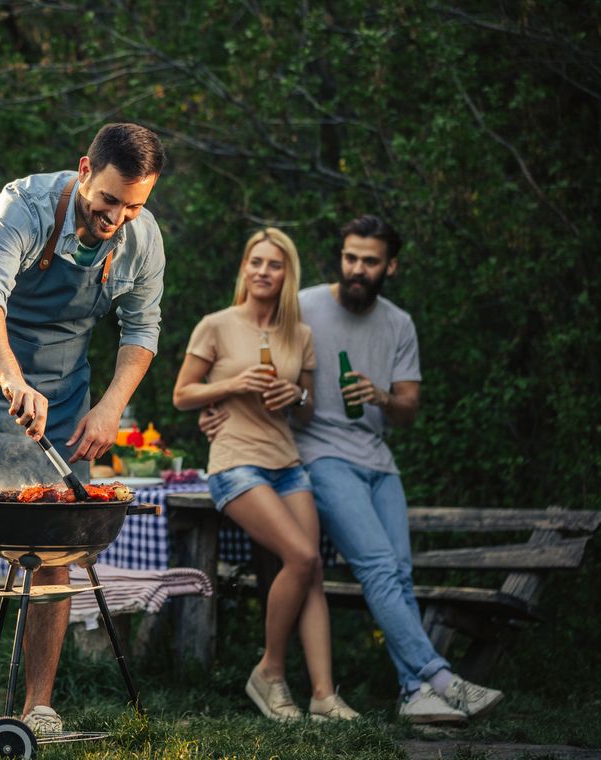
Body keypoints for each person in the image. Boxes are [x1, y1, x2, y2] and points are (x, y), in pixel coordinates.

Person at [0, 123, 167, 745]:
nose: (118, 217)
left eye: (134, 205)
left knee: (56, 546)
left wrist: (108, 408)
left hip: (65, 389)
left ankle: (39, 708)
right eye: (109, 200)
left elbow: (141, 331)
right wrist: (11, 380)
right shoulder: (21, 205)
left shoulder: (142, 239)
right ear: (84, 170)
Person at [202, 215, 503, 724]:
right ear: (340, 257)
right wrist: (221, 411)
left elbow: (408, 409)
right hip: (319, 456)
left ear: (391, 266)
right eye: (350, 258)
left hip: (378, 459)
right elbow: (245, 342)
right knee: (379, 568)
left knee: (399, 573)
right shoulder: (305, 306)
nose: (357, 269)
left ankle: (414, 691)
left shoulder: (398, 323)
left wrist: (382, 395)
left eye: (369, 261)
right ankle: (442, 678)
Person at [173, 229, 359, 722]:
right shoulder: (216, 325)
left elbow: (307, 410)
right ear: (244, 268)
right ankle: (270, 671)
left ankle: (323, 696)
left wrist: (292, 396)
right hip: (235, 462)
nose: (262, 271)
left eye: (274, 265)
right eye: (255, 262)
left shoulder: (300, 334)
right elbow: (182, 394)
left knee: (311, 570)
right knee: (299, 555)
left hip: (286, 462)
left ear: (286, 274)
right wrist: (233, 384)